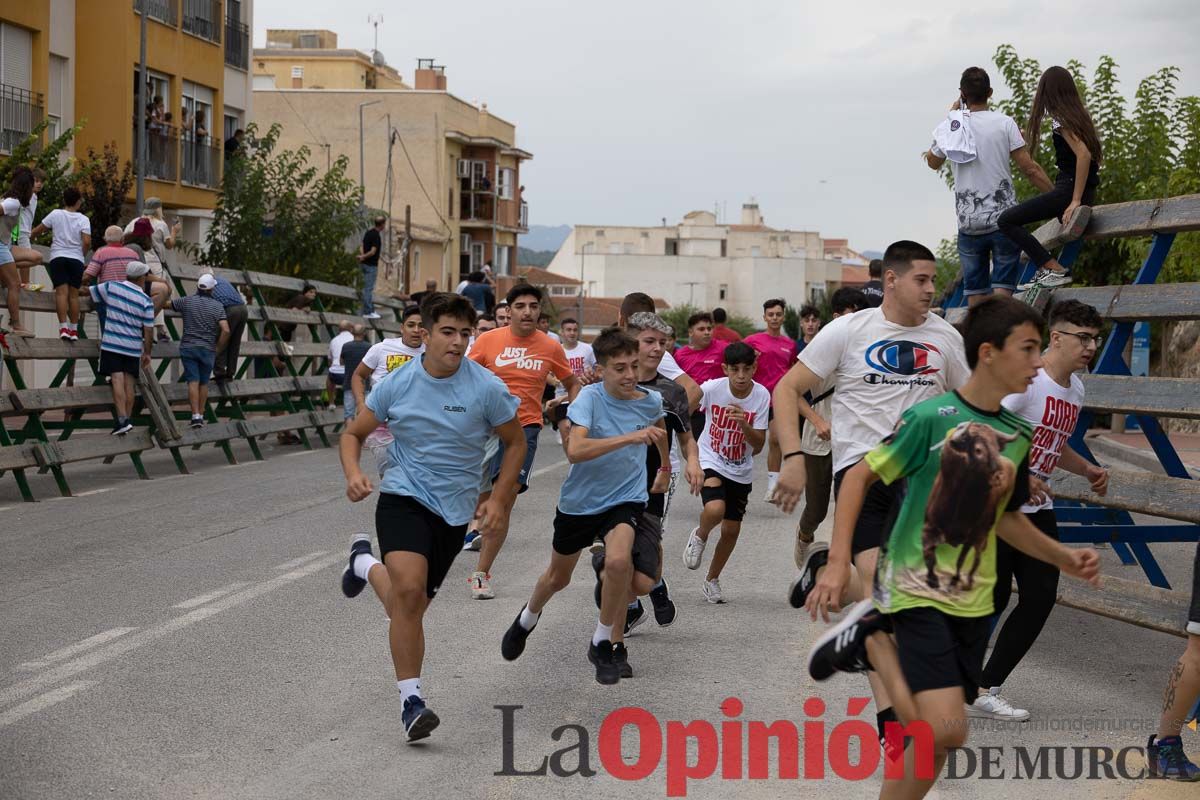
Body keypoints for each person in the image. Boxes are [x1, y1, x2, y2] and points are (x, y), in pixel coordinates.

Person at [802, 296, 1100, 800]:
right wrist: (836, 561)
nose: (1036, 362)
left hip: (973, 598)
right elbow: (856, 480)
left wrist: (1060, 556)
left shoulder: (1018, 432)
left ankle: (869, 639)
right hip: (918, 587)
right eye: (1027, 349)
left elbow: (1005, 519)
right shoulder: (931, 418)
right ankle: (873, 637)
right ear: (988, 352)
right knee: (945, 730)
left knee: (937, 743)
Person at [777, 240, 971, 744]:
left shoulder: (946, 339)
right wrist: (794, 459)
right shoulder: (849, 331)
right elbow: (786, 389)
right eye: (921, 280)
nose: (931, 289)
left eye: (933, 281)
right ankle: (894, 725)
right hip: (862, 475)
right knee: (886, 597)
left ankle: (825, 568)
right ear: (891, 279)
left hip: (926, 482)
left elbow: (967, 409)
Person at [338, 292, 526, 743]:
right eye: (448, 332)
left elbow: (514, 443)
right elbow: (354, 433)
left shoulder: (486, 387)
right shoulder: (397, 384)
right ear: (425, 332)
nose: (458, 342)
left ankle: (363, 564)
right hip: (403, 495)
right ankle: (411, 702)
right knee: (407, 593)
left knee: (413, 604)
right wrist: (354, 472)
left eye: (466, 333)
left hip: (454, 509)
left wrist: (499, 499)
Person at [500, 327, 667, 684]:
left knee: (620, 562)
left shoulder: (650, 401)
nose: (630, 375)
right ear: (602, 370)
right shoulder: (588, 399)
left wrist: (664, 467)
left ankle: (602, 641)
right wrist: (631, 438)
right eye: (620, 368)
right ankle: (527, 618)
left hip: (625, 498)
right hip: (580, 503)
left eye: (634, 366)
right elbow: (575, 451)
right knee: (557, 578)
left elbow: (659, 427)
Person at [970, 299, 1110, 721]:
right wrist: (1020, 473)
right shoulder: (1026, 381)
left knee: (1040, 597)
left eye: (1095, 340)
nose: (1090, 347)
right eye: (1082, 338)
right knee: (989, 598)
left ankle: (983, 685)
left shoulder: (1076, 390)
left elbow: (1053, 440)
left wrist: (1085, 468)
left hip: (1038, 506)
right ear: (1056, 337)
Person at [462, 285, 580, 594]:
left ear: (540, 311)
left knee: (504, 500)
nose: (527, 311)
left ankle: (480, 574)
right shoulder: (488, 341)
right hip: (485, 427)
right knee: (478, 497)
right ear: (509, 310)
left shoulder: (550, 346)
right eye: (520, 306)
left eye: (533, 306)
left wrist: (576, 414)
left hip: (524, 428)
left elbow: (571, 381)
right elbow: (464, 378)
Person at [924, 67, 1054, 306]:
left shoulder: (952, 127)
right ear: (990, 92)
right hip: (1004, 222)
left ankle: (979, 342)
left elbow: (933, 162)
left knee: (975, 296)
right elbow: (1030, 169)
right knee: (1003, 295)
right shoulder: (1005, 123)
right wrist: (1057, 199)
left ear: (962, 93)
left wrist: (951, 118)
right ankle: (1000, 338)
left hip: (969, 223)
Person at [607, 311, 702, 633]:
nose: (657, 349)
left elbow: (687, 436)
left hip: (657, 476)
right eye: (649, 341)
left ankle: (653, 585)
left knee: (646, 540)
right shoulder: (611, 384)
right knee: (614, 544)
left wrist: (693, 462)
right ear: (632, 343)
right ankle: (635, 604)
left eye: (662, 343)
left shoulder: (671, 392)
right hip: (614, 475)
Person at [680, 342, 769, 603]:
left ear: (755, 368)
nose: (741, 376)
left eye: (746, 369)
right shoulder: (711, 388)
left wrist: (743, 423)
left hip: (741, 467)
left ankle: (712, 579)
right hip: (711, 458)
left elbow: (759, 445)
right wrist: (691, 455)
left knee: (731, 531)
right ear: (725, 369)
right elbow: (683, 416)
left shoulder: (761, 396)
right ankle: (700, 535)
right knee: (715, 509)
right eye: (735, 369)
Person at [1002, 66, 1102, 290]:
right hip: (1077, 189)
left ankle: (1051, 268)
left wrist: (1075, 200)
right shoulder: (1079, 117)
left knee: (1006, 220)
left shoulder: (1060, 120)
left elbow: (1083, 154)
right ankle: (1049, 269)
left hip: (1069, 189)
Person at [792, 288, 867, 568]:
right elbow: (791, 391)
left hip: (857, 442)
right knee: (817, 509)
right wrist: (817, 420)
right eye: (852, 314)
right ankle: (804, 535)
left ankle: (846, 565)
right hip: (820, 439)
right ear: (836, 317)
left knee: (855, 507)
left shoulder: (872, 350)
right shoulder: (821, 348)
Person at [351, 306, 427, 472]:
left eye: (420, 326)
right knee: (391, 474)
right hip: (382, 424)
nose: (416, 330)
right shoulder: (381, 348)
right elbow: (358, 375)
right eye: (410, 325)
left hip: (417, 424)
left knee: (415, 475)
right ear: (402, 328)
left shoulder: (432, 353)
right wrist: (360, 404)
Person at [89, 261, 156, 435]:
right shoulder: (146, 300)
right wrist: (147, 352)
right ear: (141, 277)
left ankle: (122, 420)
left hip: (112, 344)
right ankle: (127, 420)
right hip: (133, 347)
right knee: (129, 384)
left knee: (117, 381)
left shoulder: (112, 287)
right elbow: (148, 330)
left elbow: (91, 293)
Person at [744, 298, 798, 503]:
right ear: (764, 317)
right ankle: (738, 478)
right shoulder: (751, 341)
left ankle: (772, 486)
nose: (774, 318)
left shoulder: (790, 344)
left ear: (783, 317)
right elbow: (737, 362)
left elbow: (793, 369)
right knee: (748, 444)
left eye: (778, 314)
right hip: (754, 398)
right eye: (771, 314)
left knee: (775, 440)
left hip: (778, 399)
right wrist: (752, 359)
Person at [30, 186, 91, 341]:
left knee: (61, 294)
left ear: (64, 200)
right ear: (78, 202)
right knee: (74, 296)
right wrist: (81, 255)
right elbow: (87, 241)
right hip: (76, 259)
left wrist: (28, 237)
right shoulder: (83, 219)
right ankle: (74, 330)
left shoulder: (56, 214)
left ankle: (63, 327)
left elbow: (38, 230)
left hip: (58, 257)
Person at [172, 275, 231, 428]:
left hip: (188, 347)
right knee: (203, 383)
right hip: (208, 349)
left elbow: (168, 304)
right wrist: (218, 348)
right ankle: (202, 414)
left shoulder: (187, 301)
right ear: (212, 289)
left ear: (198, 287)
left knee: (193, 381)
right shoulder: (218, 306)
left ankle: (195, 416)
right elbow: (225, 330)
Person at [0, 167, 42, 335]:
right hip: (0, 246)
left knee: (36, 257)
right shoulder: (13, 202)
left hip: (6, 245)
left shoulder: (10, 199)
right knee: (14, 284)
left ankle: (4, 272)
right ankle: (16, 324)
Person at [673, 311, 729, 438]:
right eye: (701, 329)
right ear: (690, 332)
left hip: (719, 411)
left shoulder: (723, 349)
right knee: (695, 453)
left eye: (709, 328)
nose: (707, 332)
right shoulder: (680, 355)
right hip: (694, 412)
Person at [546, 317, 596, 448]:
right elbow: (545, 373)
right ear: (561, 332)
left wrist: (591, 374)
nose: (572, 333)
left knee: (581, 435)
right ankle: (572, 461)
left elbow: (597, 369)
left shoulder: (587, 349)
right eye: (568, 330)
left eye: (575, 330)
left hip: (583, 396)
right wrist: (555, 381)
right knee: (566, 435)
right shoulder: (555, 350)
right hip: (562, 397)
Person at [210, 276, 249, 382]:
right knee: (235, 342)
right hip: (243, 309)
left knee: (221, 339)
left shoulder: (205, 284)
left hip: (230, 309)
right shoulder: (223, 280)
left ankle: (220, 373)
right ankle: (230, 373)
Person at [13, 167, 45, 291]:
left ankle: (23, 282)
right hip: (20, 230)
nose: (39, 184)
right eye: (36, 181)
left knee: (23, 257)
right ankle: (25, 283)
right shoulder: (26, 195)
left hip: (25, 230)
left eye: (41, 182)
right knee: (26, 255)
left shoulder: (34, 197)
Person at [338, 325, 371, 420]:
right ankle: (362, 434)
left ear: (352, 332)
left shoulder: (346, 346)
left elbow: (341, 362)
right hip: (365, 385)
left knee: (349, 415)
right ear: (364, 333)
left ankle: (348, 434)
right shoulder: (368, 347)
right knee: (364, 414)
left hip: (349, 384)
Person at [358, 216, 385, 319]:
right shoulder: (376, 236)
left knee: (364, 287)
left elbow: (362, 245)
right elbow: (373, 251)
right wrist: (364, 256)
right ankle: (368, 311)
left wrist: (362, 256)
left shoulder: (368, 233)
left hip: (364, 264)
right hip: (371, 265)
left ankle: (368, 310)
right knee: (368, 289)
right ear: (382, 225)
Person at [326, 321, 354, 411]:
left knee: (329, 379)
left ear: (339, 330)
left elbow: (329, 360)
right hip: (350, 374)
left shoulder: (333, 340)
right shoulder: (354, 339)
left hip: (335, 374)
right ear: (350, 329)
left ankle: (331, 402)